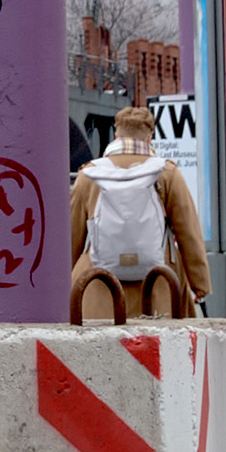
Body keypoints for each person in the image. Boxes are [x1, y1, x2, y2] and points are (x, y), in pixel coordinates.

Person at [68, 103, 211, 321]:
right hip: (158, 283)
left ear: (116, 135)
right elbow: (188, 233)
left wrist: (63, 281)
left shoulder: (89, 174)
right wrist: (200, 284)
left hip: (98, 284)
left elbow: (72, 234)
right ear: (149, 138)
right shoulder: (167, 173)